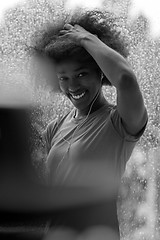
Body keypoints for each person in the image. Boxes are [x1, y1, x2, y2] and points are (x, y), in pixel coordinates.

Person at [33, 10, 148, 239]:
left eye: (81, 73)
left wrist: (85, 38)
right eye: (63, 78)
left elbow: (125, 79)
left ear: (101, 74)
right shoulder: (56, 128)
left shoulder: (119, 122)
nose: (72, 86)